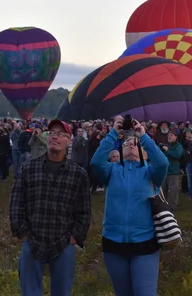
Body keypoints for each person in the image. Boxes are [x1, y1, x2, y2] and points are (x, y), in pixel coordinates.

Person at [9, 119, 91, 296]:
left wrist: (75, 237)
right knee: (29, 292)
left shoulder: (79, 174)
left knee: (62, 292)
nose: (55, 137)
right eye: (52, 133)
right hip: (32, 240)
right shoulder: (28, 168)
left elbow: (84, 211)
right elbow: (16, 203)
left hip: (63, 242)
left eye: (61, 134)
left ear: (69, 141)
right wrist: (23, 233)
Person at [91, 115, 169, 296]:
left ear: (146, 153)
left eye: (136, 144)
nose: (131, 145)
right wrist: (113, 133)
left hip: (145, 245)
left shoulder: (151, 173)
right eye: (126, 144)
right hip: (113, 244)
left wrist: (144, 136)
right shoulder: (111, 171)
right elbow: (96, 162)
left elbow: (163, 162)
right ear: (119, 153)